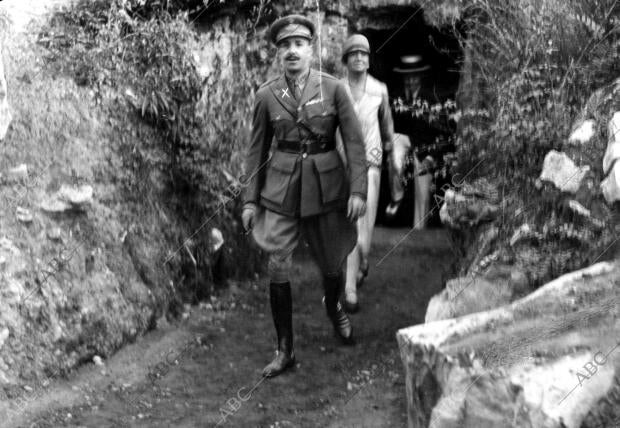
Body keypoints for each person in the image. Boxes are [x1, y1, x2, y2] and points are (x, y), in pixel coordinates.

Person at [241, 14, 368, 378]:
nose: (291, 51)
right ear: (278, 54)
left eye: (298, 44)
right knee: (277, 263)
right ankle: (285, 350)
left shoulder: (333, 88)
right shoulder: (266, 95)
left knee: (331, 263)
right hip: (281, 189)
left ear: (311, 50)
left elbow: (355, 143)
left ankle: (334, 309)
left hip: (326, 187)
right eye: (284, 46)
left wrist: (358, 188)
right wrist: (250, 200)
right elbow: (255, 151)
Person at [338, 34, 394, 313]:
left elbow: (387, 128)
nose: (360, 58)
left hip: (371, 166)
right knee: (350, 225)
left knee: (364, 234)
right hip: (345, 166)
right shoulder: (337, 90)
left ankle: (363, 260)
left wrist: (390, 153)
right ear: (346, 59)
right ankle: (349, 290)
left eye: (364, 54)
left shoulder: (379, 90)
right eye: (354, 54)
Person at [385, 55, 436, 228]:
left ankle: (419, 228)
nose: (411, 80)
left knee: (423, 180)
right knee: (394, 149)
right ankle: (396, 197)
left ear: (420, 77)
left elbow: (439, 132)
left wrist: (431, 156)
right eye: (407, 77)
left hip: (425, 147)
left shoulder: (430, 99)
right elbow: (390, 126)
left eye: (414, 76)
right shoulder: (397, 98)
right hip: (403, 140)